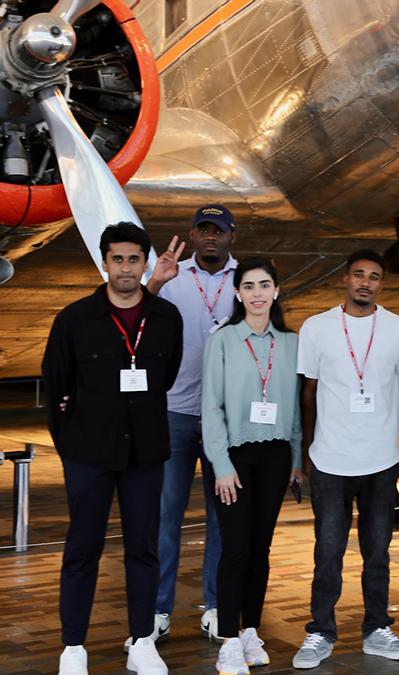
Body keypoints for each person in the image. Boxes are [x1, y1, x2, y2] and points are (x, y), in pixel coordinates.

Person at [44, 222, 184, 675]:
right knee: (82, 548)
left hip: (145, 453)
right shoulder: (73, 319)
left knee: (143, 548)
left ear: (146, 265)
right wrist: (71, 448)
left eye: (134, 259)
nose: (125, 267)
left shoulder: (167, 319)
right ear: (104, 263)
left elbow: (166, 377)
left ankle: (143, 642)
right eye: (117, 258)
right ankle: (73, 647)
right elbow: (56, 386)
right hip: (88, 455)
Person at [292, 250, 399, 669]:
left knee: (377, 552)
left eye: (374, 277)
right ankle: (320, 632)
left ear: (382, 284)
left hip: (380, 461)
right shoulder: (317, 327)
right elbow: (307, 393)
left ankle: (376, 629)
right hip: (330, 460)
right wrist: (307, 450)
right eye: (359, 275)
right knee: (327, 551)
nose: (366, 282)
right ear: (345, 279)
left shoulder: (398, 328)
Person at [201, 259, 303, 675]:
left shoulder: (292, 342)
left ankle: (250, 631)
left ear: (276, 291)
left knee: (261, 548)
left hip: (276, 455)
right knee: (236, 548)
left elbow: (296, 408)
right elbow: (211, 408)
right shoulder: (223, 340)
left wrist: (296, 461)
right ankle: (228, 638)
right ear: (238, 293)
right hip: (234, 458)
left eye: (265, 285)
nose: (258, 293)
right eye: (249, 286)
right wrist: (221, 465)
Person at [142, 204, 238, 644]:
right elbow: (133, 315)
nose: (210, 237)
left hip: (226, 418)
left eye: (218, 230)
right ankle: (158, 610)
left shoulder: (247, 279)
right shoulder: (171, 275)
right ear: (192, 235)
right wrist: (155, 282)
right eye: (203, 229)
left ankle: (217, 606)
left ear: (231, 236)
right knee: (165, 514)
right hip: (175, 412)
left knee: (224, 516)